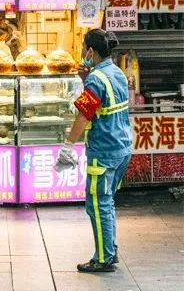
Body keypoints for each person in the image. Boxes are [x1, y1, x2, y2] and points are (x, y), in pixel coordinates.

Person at [55, 29, 132, 273]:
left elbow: (83, 116)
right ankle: (109, 249)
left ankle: (103, 258)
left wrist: (68, 147)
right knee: (107, 202)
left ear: (91, 51)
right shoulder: (115, 71)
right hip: (122, 148)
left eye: (83, 47)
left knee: (97, 204)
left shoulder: (96, 80)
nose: (81, 51)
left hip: (104, 151)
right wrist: (86, 78)